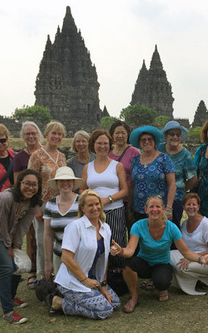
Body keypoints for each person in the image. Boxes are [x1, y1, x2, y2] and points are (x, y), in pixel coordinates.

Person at [110, 195, 208, 313]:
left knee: (161, 282)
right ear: (146, 210)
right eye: (151, 207)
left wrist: (201, 259)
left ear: (163, 209)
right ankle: (134, 297)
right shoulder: (138, 226)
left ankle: (161, 287)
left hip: (162, 264)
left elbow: (186, 252)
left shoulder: (171, 227)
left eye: (158, 206)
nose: (155, 209)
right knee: (127, 264)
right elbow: (130, 250)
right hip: (144, 262)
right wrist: (121, 251)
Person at [0, 169, 43, 324]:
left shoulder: (34, 202)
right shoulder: (7, 197)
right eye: (26, 183)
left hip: (8, 232)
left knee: (18, 263)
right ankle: (7, 312)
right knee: (6, 266)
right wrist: (8, 246)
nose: (30, 188)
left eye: (34, 185)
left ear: (38, 187)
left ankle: (11, 297)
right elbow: (0, 222)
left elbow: (23, 225)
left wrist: (17, 246)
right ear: (20, 183)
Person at [49, 190, 121, 319]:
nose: (95, 208)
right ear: (82, 208)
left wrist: (103, 285)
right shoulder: (75, 227)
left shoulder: (105, 228)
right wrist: (85, 280)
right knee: (104, 311)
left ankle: (86, 296)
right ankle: (59, 302)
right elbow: (66, 258)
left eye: (97, 204)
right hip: (73, 280)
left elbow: (104, 259)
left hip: (94, 279)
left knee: (115, 303)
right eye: (90, 205)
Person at [80, 129, 128, 271]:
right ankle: (97, 273)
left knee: (115, 243)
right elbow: (81, 189)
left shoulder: (117, 166)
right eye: (99, 143)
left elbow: (125, 190)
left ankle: (117, 274)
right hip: (93, 213)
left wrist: (108, 199)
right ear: (93, 145)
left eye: (105, 143)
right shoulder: (87, 167)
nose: (102, 147)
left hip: (114, 210)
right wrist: (93, 200)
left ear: (110, 145)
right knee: (95, 243)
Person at [28, 121, 67, 279]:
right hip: (43, 204)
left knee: (61, 240)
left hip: (60, 205)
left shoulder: (62, 156)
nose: (56, 137)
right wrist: (35, 207)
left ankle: (61, 273)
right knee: (44, 241)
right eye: (53, 133)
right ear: (46, 135)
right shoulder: (37, 155)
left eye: (59, 134)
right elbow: (30, 182)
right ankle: (44, 276)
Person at [170, 193, 208, 295]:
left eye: (194, 204)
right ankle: (200, 279)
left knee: (180, 267)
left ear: (198, 207)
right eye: (188, 204)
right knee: (168, 256)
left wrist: (191, 258)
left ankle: (206, 279)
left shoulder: (206, 224)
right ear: (184, 207)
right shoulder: (184, 224)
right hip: (194, 256)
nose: (191, 207)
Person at [12, 121, 42, 289]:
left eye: (33, 133)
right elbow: (17, 183)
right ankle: (32, 271)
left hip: (48, 200)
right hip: (29, 202)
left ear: (39, 134)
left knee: (48, 237)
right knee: (31, 238)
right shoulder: (19, 158)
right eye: (27, 134)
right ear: (23, 137)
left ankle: (48, 269)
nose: (31, 136)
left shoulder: (45, 152)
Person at [129, 126, 176, 222]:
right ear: (139, 143)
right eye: (143, 140)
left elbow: (172, 185)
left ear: (154, 142)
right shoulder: (135, 160)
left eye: (149, 139)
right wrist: (129, 208)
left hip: (158, 209)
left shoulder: (163, 158)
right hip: (138, 208)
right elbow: (132, 186)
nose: (147, 142)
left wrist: (169, 208)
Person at [43, 167, 82, 279]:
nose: (65, 183)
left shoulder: (82, 202)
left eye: (68, 180)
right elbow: (47, 235)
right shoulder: (50, 204)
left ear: (73, 183)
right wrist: (47, 262)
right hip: (59, 254)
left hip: (79, 255)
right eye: (61, 180)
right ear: (57, 183)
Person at [157, 121, 197, 227]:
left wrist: (181, 189)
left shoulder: (186, 155)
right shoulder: (158, 149)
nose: (175, 137)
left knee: (172, 229)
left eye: (178, 135)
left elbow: (193, 179)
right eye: (172, 134)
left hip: (176, 199)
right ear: (166, 136)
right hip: (157, 197)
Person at [108, 120, 140, 232]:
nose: (120, 136)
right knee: (114, 232)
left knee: (133, 231)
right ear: (112, 135)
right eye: (117, 133)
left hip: (131, 199)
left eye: (123, 133)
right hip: (112, 199)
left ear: (128, 135)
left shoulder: (135, 153)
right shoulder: (107, 152)